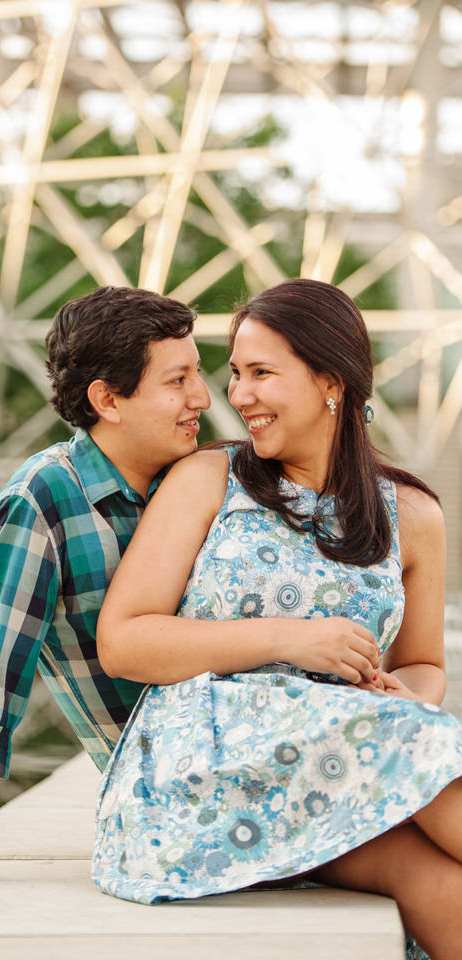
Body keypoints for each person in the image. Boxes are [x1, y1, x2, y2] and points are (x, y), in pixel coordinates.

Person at [92, 278, 462, 960]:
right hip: (205, 773)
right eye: (235, 374)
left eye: (261, 373)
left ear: (331, 380)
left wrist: (397, 696)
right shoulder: (210, 478)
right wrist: (293, 640)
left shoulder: (411, 516)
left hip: (343, 762)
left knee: (439, 884)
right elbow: (123, 641)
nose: (238, 396)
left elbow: (422, 666)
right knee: (441, 765)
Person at [0, 285, 211, 900]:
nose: (202, 399)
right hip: (176, 787)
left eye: (198, 374)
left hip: (253, 736)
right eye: (177, 380)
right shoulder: (42, 502)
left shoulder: (195, 478)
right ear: (107, 399)